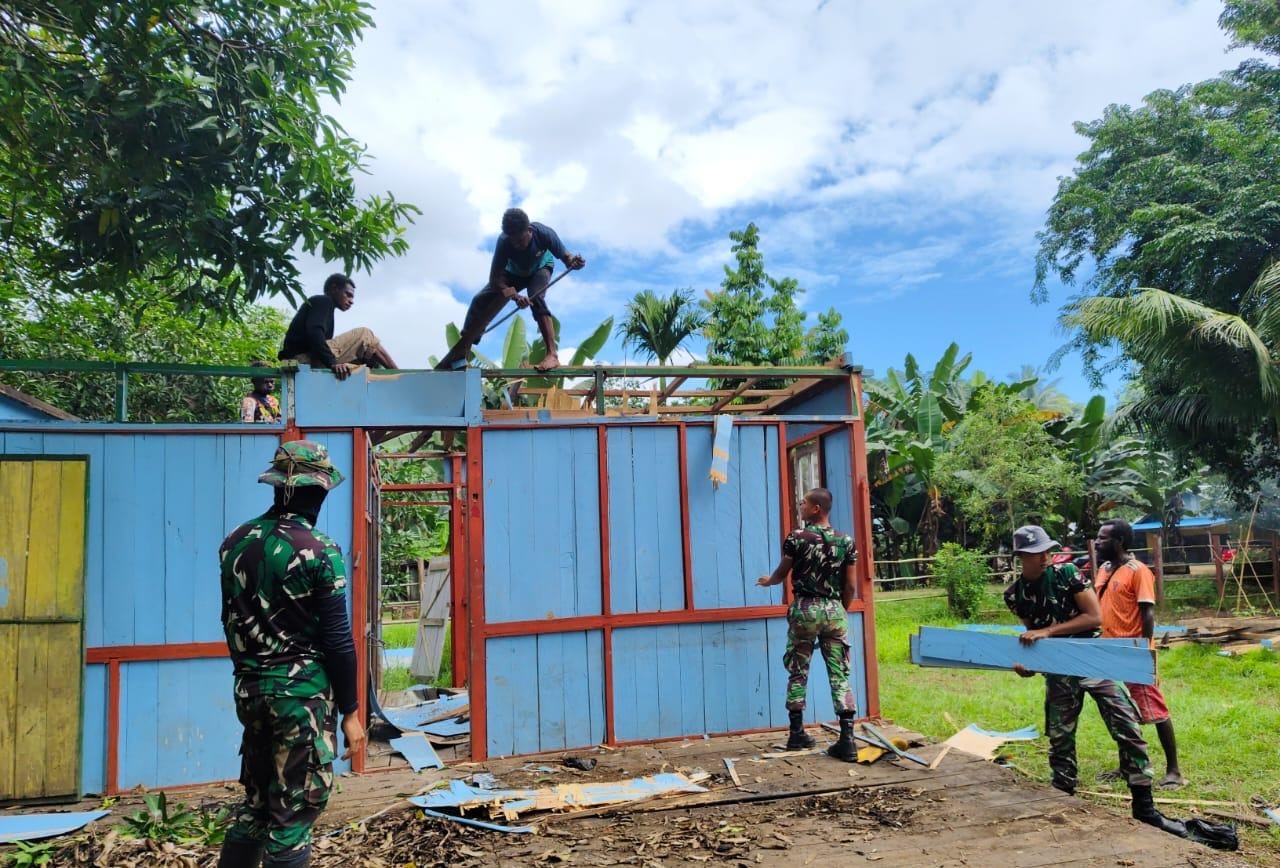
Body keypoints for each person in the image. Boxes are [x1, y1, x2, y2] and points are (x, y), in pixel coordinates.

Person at [217, 440, 366, 868]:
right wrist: (352, 712)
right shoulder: (320, 550)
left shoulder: (234, 543)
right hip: (300, 700)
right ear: (314, 492)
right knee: (292, 816)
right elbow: (338, 639)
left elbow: (230, 619)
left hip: (249, 692)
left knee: (257, 806)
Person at [1004, 525, 1183, 835]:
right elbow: (1032, 634)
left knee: (1127, 726)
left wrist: (1047, 631)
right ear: (1021, 556)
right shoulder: (1015, 594)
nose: (1045, 557)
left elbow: (1094, 617)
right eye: (1037, 553)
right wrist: (1028, 664)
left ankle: (1144, 806)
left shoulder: (1067, 573)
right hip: (1058, 669)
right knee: (1060, 739)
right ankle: (1063, 797)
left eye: (1047, 550)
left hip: (1092, 660)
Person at [757, 487, 859, 761]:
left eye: (803, 503)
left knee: (798, 670)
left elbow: (781, 573)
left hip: (804, 609)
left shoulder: (797, 538)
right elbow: (850, 584)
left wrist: (769, 581)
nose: (800, 506)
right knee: (839, 672)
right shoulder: (846, 540)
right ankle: (847, 739)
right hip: (834, 610)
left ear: (816, 509)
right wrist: (840, 610)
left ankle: (796, 733)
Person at [1093, 519, 1186, 789]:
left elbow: (1147, 612)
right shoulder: (1105, 569)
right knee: (1117, 710)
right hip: (1108, 649)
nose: (1097, 542)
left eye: (1103, 538)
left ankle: (1174, 771)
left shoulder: (1139, 571)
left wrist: (1144, 650)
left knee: (1154, 710)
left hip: (1133, 651)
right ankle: (1128, 765)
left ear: (1119, 541)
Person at [435, 208, 585, 372]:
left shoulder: (544, 234)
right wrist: (514, 296)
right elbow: (494, 281)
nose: (517, 245)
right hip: (513, 273)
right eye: (513, 241)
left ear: (529, 231)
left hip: (540, 268)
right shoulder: (504, 241)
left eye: (520, 240)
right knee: (479, 300)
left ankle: (552, 355)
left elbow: (567, 258)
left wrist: (574, 261)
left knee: (536, 298)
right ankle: (463, 348)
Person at [279, 273, 398, 381]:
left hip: (309, 360)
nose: (351, 301)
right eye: (348, 295)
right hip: (303, 359)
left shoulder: (327, 309)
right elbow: (314, 333)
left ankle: (388, 381)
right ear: (334, 289)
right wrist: (332, 363)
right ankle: (400, 374)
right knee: (365, 335)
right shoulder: (323, 301)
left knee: (368, 358)